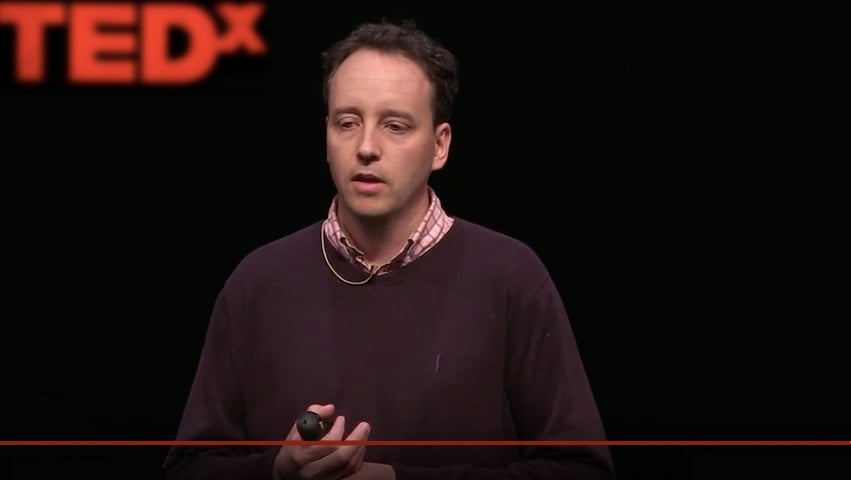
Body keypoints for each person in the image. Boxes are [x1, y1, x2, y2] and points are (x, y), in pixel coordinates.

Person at [163, 19, 615, 480]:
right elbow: (188, 468)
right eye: (347, 123)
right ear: (326, 135)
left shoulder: (511, 277)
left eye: (394, 126)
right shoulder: (258, 281)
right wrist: (277, 471)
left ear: (439, 146)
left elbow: (582, 470)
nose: (366, 147)